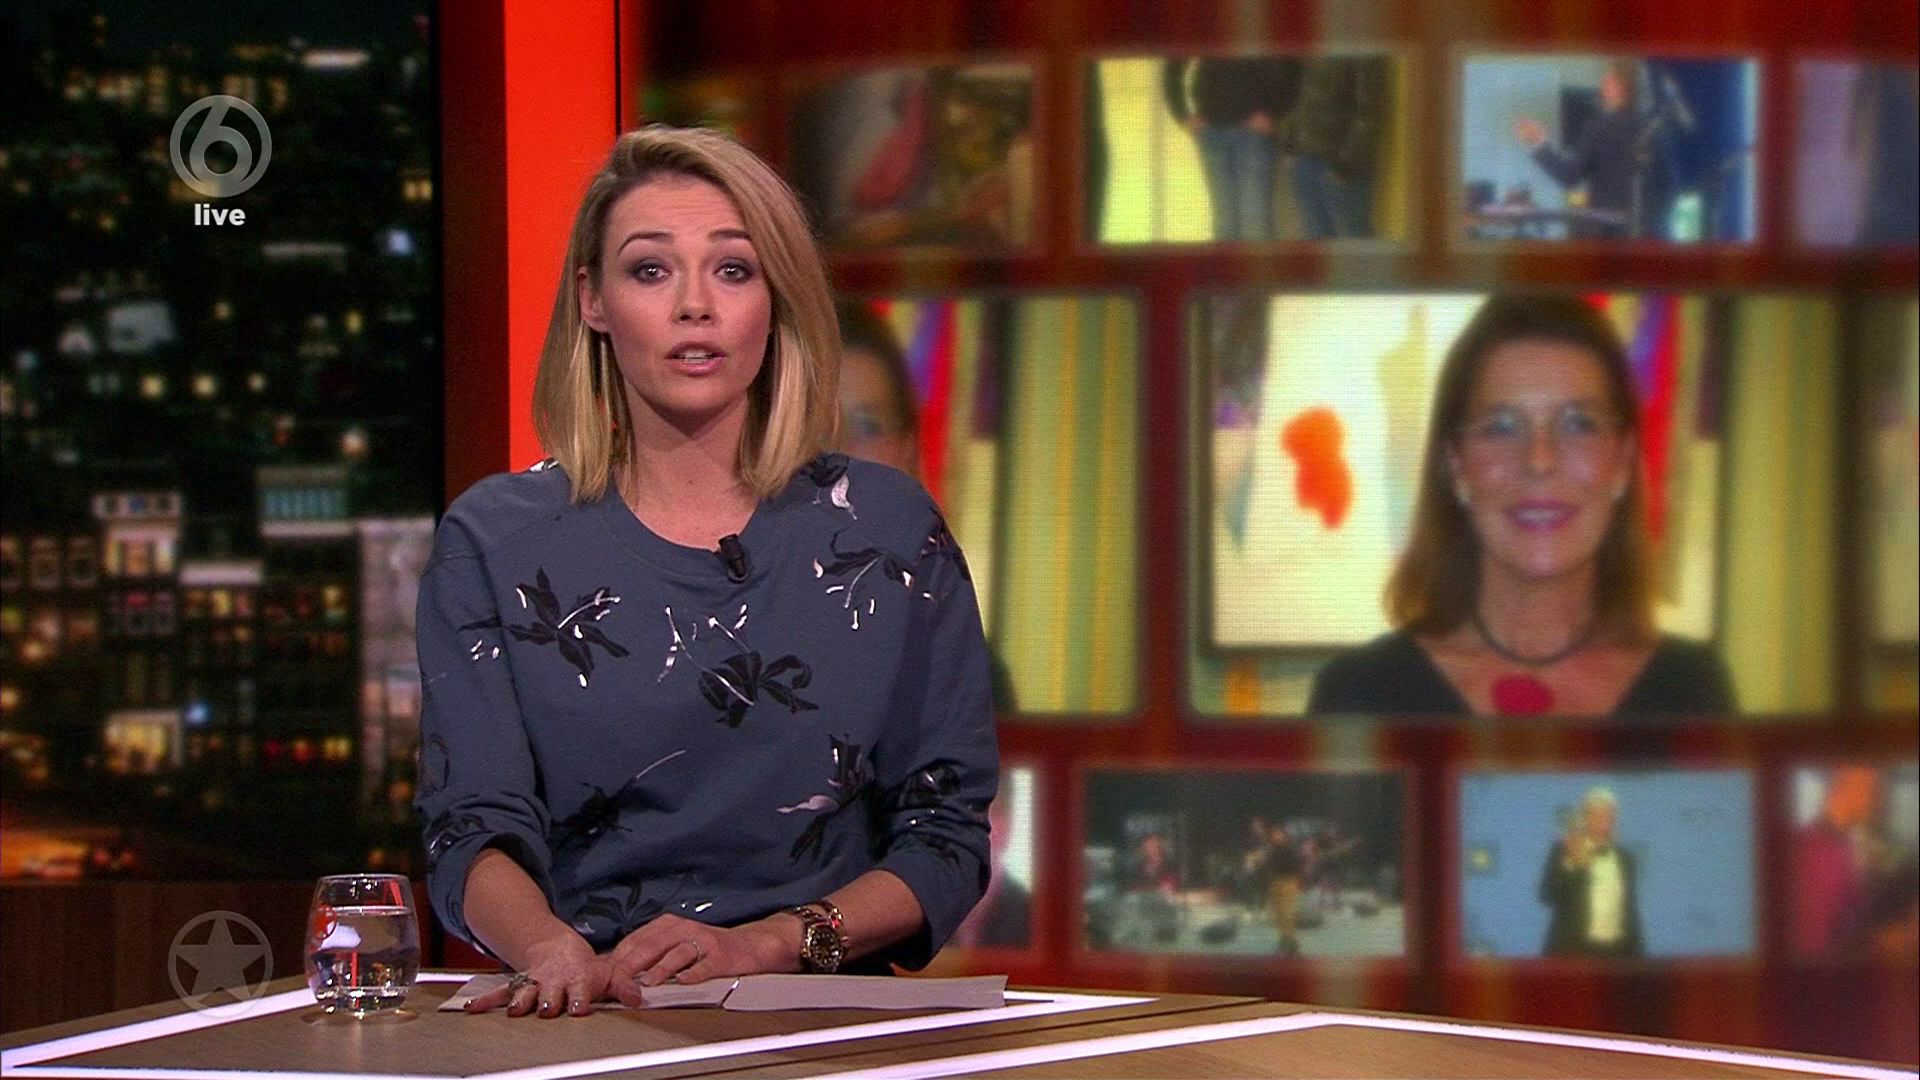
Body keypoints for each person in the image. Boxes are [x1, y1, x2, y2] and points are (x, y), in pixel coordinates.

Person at [414, 126, 998, 1019]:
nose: (695, 306)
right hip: (587, 1010)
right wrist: (548, 950)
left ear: (776, 298)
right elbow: (470, 827)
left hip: (821, 1025)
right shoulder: (497, 541)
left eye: (732, 269)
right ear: (594, 301)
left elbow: (946, 838)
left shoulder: (886, 530)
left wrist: (766, 944)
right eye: (651, 270)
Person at [1308, 294, 1733, 717]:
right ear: (1456, 465)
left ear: (1622, 462)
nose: (1539, 460)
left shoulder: (1692, 689)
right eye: (1502, 427)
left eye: (1579, 424)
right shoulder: (1359, 693)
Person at [1512, 60, 1671, 240]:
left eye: (1608, 80)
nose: (1602, 84)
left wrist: (1538, 143)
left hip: (1608, 232)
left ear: (1621, 88)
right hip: (1650, 231)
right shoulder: (1653, 130)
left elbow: (1569, 177)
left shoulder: (1599, 127)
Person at [1163, 56, 1301, 242]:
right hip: (1211, 133)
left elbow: (1293, 67)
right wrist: (1183, 115)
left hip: (1254, 134)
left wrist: (1275, 115)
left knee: (1255, 221)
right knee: (1224, 222)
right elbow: (1173, 68)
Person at [1277, 54, 1389, 239]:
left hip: (1339, 164)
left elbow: (1370, 111)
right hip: (1304, 158)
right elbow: (1300, 99)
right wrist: (1290, 145)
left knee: (1354, 241)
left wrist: (1348, 164)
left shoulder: (1364, 53)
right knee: (1315, 237)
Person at [1538, 787, 1644, 958]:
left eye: (1608, 816)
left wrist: (1639, 958)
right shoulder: (1563, 850)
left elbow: (1630, 911)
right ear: (1584, 818)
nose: (1603, 822)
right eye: (1596, 815)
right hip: (1574, 952)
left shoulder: (1626, 858)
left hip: (1618, 952)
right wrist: (1572, 864)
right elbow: (1546, 896)